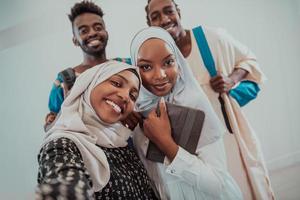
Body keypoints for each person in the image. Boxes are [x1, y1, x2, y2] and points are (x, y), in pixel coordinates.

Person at [144, 0, 274, 199]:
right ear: (149, 24)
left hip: (227, 140)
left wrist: (231, 79)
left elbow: (249, 60)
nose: (164, 19)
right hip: (193, 151)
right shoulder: (156, 59)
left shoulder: (209, 39)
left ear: (178, 12)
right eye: (155, 16)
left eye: (169, 11)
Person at [130, 26, 242, 200]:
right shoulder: (137, 111)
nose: (160, 75)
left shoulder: (194, 104)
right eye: (145, 67)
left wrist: (166, 143)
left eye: (168, 62)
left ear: (179, 64)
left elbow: (216, 184)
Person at [36, 61, 158, 199]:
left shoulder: (122, 143)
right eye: (116, 83)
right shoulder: (62, 145)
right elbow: (64, 182)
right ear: (90, 83)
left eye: (133, 96)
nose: (125, 97)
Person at [45, 1, 110, 127]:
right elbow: (49, 127)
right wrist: (69, 108)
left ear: (106, 32)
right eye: (84, 31)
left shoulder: (126, 66)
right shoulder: (64, 81)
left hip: (132, 146)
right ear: (75, 40)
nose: (92, 33)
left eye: (98, 28)